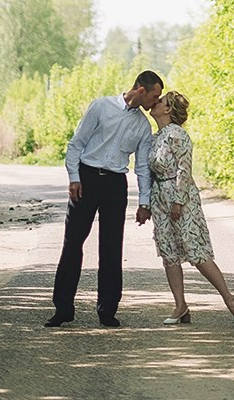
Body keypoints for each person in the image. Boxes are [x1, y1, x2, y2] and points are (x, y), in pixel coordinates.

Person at [44, 70, 164, 328]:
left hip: (115, 185)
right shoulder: (101, 107)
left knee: (112, 248)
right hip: (86, 180)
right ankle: (63, 309)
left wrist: (145, 203)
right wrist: (74, 177)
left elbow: (142, 167)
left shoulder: (143, 126)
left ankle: (107, 310)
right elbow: (76, 144)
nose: (157, 101)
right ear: (141, 90)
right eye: (155, 95)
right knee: (72, 243)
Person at [148, 89, 234, 325]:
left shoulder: (177, 135)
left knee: (195, 250)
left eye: (159, 101)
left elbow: (184, 168)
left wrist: (178, 201)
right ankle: (180, 305)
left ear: (168, 109)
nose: (154, 103)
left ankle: (230, 300)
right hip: (160, 197)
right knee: (169, 252)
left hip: (181, 198)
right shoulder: (155, 137)